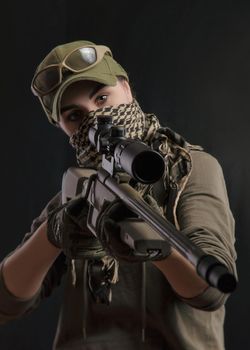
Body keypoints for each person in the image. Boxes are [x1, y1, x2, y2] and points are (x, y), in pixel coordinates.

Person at [0, 40, 237, 350]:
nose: (96, 119)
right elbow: (7, 303)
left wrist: (155, 246)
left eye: (102, 97)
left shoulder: (189, 168)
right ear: (62, 128)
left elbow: (210, 293)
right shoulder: (80, 188)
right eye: (75, 116)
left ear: (125, 87)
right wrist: (53, 233)